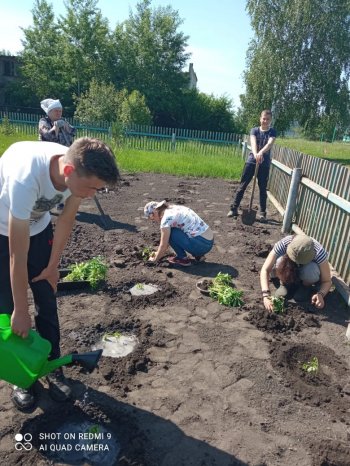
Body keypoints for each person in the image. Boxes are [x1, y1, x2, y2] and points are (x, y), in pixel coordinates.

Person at [0, 137, 119, 410]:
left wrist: (53, 266)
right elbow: (17, 255)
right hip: (3, 230)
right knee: (7, 309)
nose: (93, 194)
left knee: (47, 295)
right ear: (68, 172)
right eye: (92, 187)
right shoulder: (24, 179)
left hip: (38, 227)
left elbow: (65, 220)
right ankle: (23, 377)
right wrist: (20, 310)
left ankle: (53, 366)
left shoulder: (77, 171)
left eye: (98, 189)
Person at [227, 109, 277, 222]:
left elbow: (270, 143)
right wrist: (255, 154)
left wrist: (261, 153)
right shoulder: (254, 130)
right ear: (260, 118)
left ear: (270, 120)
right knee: (242, 186)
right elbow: (253, 142)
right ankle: (233, 209)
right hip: (251, 161)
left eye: (268, 119)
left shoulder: (272, 132)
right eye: (263, 118)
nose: (265, 121)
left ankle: (263, 214)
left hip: (264, 164)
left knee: (263, 189)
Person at [260, 234, 332, 312]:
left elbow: (327, 281)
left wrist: (321, 294)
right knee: (280, 261)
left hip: (305, 273)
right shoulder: (284, 243)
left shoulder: (319, 252)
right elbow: (265, 270)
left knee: (311, 270)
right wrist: (266, 295)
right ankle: (285, 283)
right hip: (288, 268)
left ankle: (304, 287)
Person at [143, 201, 214, 266]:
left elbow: (164, 244)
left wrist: (155, 259)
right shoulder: (175, 208)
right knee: (182, 229)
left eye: (151, 218)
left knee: (171, 232)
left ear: (155, 212)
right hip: (209, 241)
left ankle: (182, 258)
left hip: (201, 245)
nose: (154, 220)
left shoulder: (166, 220)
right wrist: (157, 253)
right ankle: (198, 255)